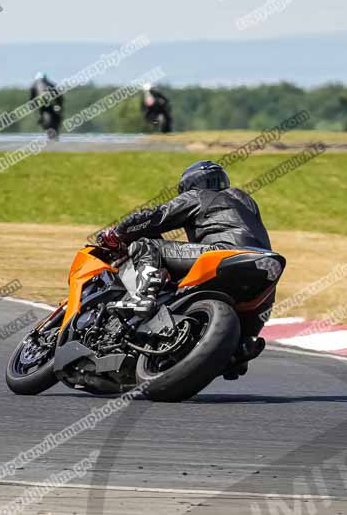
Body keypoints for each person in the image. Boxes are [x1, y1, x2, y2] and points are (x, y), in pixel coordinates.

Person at [97, 161, 272, 377]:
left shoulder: (199, 196)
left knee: (148, 245)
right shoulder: (246, 201)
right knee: (245, 337)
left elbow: (156, 217)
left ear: (189, 184)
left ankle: (142, 295)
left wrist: (117, 233)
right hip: (262, 265)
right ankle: (240, 349)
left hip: (222, 253)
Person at [30, 72, 64, 138]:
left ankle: (51, 126)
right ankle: (46, 124)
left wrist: (59, 105)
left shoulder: (35, 85)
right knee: (42, 116)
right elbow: (32, 98)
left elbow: (59, 96)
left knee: (57, 115)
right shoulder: (50, 84)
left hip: (49, 105)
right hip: (46, 106)